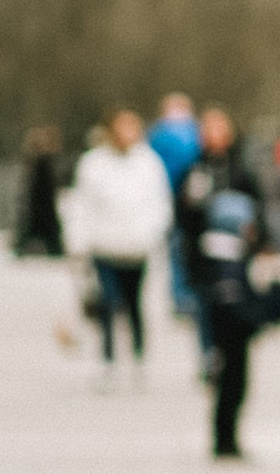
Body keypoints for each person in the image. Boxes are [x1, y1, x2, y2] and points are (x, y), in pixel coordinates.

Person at [176, 116, 277, 458]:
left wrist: (262, 247)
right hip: (209, 276)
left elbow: (262, 220)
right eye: (209, 130)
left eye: (221, 129)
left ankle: (230, 432)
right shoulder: (195, 174)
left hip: (240, 275)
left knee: (239, 357)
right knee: (218, 351)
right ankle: (220, 430)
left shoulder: (242, 174)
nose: (215, 136)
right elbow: (184, 224)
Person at [66, 108, 177, 369]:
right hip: (104, 246)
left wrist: (152, 233)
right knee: (106, 302)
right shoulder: (93, 164)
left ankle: (138, 354)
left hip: (137, 248)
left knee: (134, 303)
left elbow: (160, 204)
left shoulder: (149, 163)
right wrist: (77, 243)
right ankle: (108, 358)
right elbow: (81, 206)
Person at [146, 94, 202, 324]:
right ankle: (190, 296)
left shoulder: (157, 135)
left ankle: (181, 298)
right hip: (190, 202)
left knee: (176, 251)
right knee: (188, 250)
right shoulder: (196, 133)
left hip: (169, 200)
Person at [17, 127, 64, 258]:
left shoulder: (40, 162)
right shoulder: (43, 162)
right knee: (43, 229)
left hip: (42, 205)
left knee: (39, 228)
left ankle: (53, 249)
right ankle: (54, 250)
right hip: (43, 206)